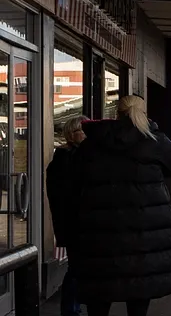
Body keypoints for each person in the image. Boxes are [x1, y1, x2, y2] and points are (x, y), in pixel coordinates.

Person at [66, 96, 171, 316]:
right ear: (144, 113)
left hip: (99, 234)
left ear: (116, 113)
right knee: (139, 294)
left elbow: (74, 179)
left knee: (99, 294)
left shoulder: (93, 142)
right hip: (143, 234)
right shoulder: (154, 141)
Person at [47, 118, 85, 316]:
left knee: (79, 268)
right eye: (82, 130)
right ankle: (71, 310)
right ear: (72, 134)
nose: (86, 135)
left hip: (76, 223)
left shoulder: (75, 156)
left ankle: (73, 307)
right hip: (74, 224)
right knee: (77, 268)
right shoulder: (66, 159)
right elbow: (65, 197)